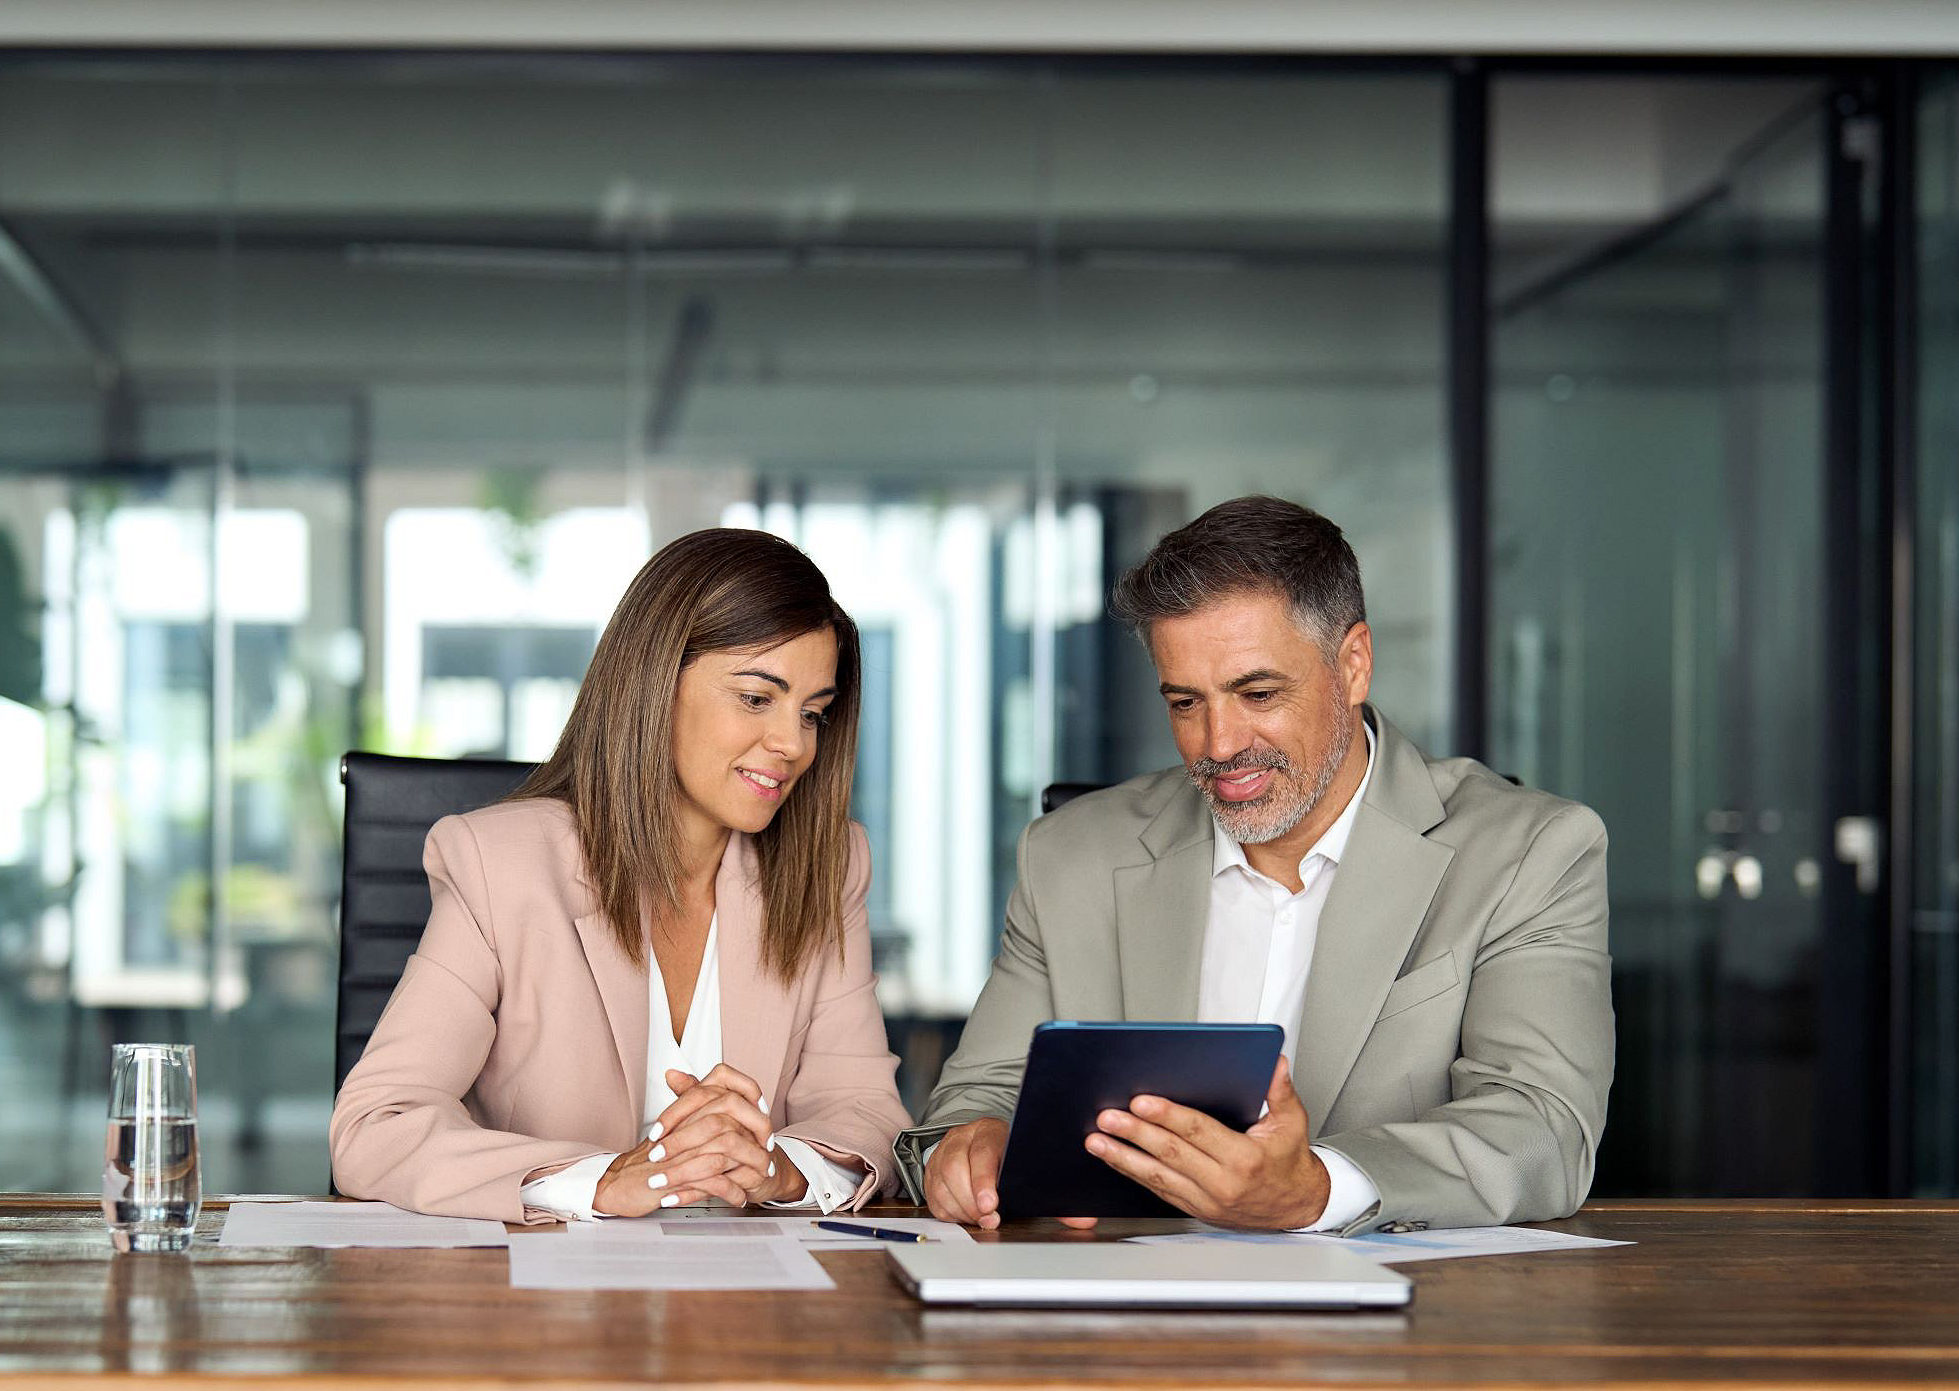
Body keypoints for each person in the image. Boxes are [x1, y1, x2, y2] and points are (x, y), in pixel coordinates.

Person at [908, 495, 1613, 1235]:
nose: (1217, 744)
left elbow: (1543, 1129)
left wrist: (1315, 1189)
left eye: (1258, 693)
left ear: (1353, 664)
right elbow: (975, 1097)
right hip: (1126, 1310)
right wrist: (972, 1148)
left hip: (1399, 1329)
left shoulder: (1530, 851)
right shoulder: (1071, 856)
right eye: (1185, 703)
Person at [330, 527, 911, 1222]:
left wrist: (781, 1171)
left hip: (750, 1306)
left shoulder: (827, 864)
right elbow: (377, 1123)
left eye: (813, 713)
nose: (792, 744)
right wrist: (603, 1181)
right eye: (757, 699)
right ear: (655, 683)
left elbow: (867, 1114)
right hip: (544, 1307)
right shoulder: (500, 864)